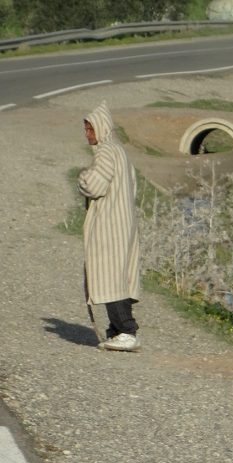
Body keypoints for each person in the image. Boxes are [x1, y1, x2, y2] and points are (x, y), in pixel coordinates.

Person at [78, 101, 142, 352]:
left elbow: (94, 185)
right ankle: (116, 331)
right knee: (118, 277)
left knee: (109, 277)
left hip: (110, 225)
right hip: (123, 222)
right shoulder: (119, 150)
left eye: (90, 129)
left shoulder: (106, 152)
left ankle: (127, 330)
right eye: (85, 129)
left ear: (101, 128)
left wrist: (81, 177)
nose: (87, 134)